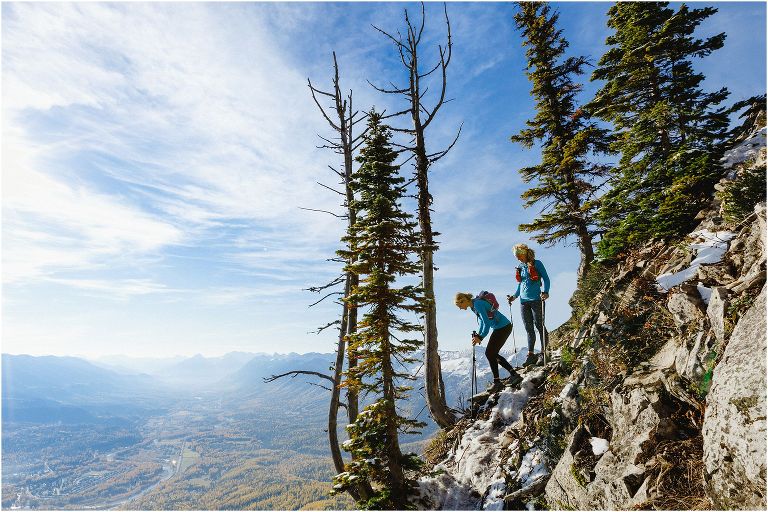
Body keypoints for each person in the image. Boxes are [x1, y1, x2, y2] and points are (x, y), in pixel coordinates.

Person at [455, 292, 523, 392]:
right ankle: (511, 375)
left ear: (463, 301)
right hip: (501, 327)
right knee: (491, 353)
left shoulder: (477, 304)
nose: (460, 308)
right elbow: (482, 322)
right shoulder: (473, 306)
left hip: (503, 327)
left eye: (459, 305)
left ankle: (499, 382)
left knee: (490, 353)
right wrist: (478, 335)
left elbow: (486, 323)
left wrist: (481, 337)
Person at [506, 243, 550, 367]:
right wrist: (514, 297)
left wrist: (546, 292)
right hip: (523, 301)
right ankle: (531, 355)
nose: (517, 258)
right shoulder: (520, 266)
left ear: (524, 253)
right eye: (516, 256)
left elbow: (546, 279)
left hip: (536, 299)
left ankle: (543, 353)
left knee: (539, 325)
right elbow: (520, 285)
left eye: (518, 255)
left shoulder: (537, 264)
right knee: (528, 328)